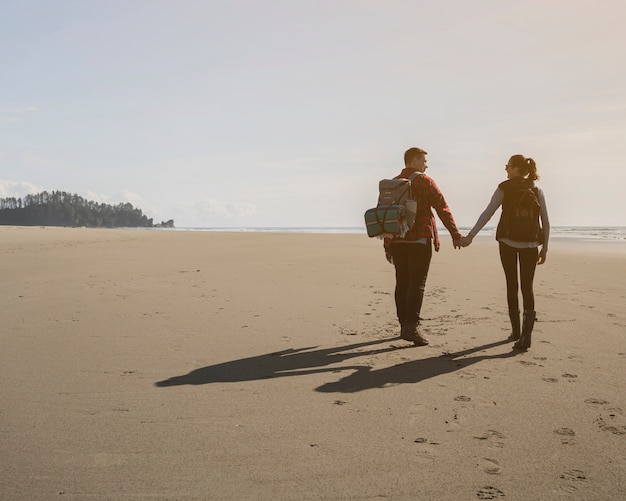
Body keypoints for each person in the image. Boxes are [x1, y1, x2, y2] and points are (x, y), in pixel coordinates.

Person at [459, 154, 550, 350]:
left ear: (516, 169)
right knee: (528, 287)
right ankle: (526, 337)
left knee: (512, 285)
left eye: (507, 166)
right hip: (531, 245)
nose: (506, 170)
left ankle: (515, 331)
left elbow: (488, 212)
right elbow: (545, 220)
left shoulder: (504, 187)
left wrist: (471, 236)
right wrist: (545, 247)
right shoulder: (536, 188)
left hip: (507, 242)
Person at [384, 147, 463, 346]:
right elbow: (442, 208)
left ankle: (404, 324)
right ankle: (411, 326)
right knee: (417, 284)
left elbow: (386, 215)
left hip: (397, 240)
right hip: (419, 240)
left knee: (402, 282)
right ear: (414, 161)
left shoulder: (393, 184)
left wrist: (387, 244)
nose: (426, 165)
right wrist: (455, 234)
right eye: (423, 160)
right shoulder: (425, 181)